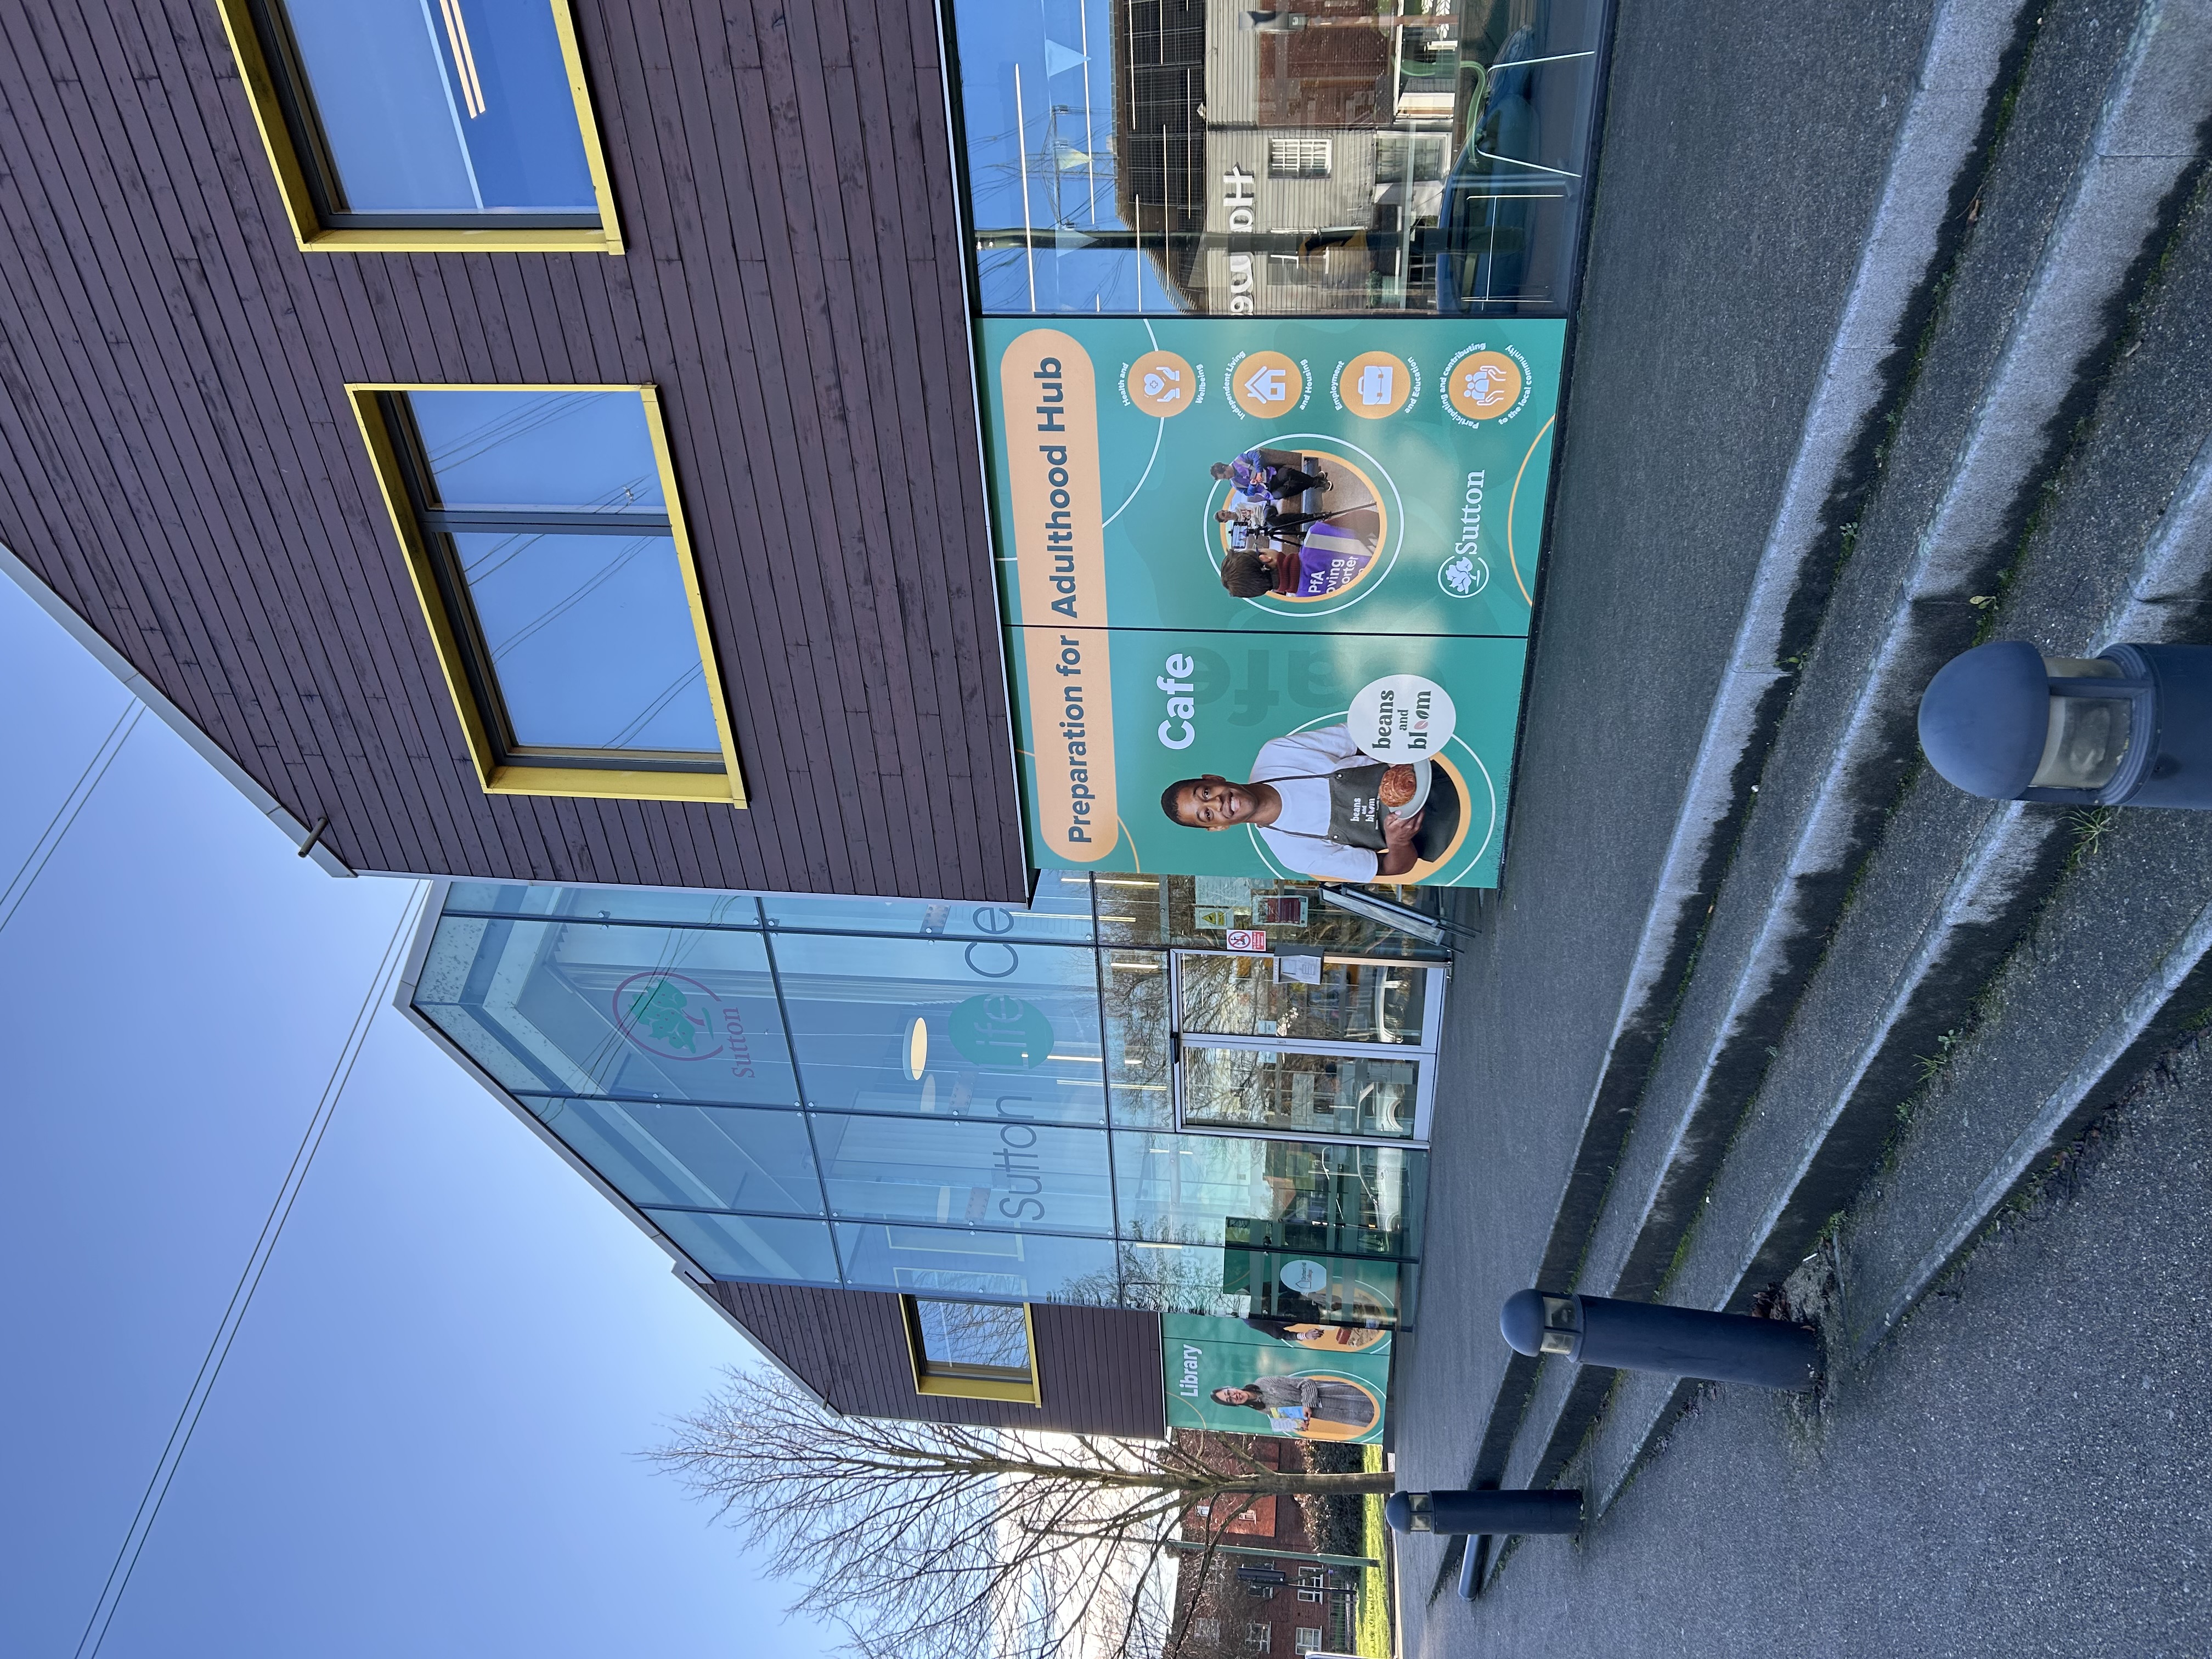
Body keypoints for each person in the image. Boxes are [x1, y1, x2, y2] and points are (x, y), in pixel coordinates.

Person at [1159, 723, 1460, 881]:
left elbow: (1364, 736)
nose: (1219, 805)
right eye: (1207, 815)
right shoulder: (1293, 854)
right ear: (1218, 829)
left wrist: (1400, 761)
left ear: (1213, 779)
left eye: (1206, 794)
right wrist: (1398, 842)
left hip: (1450, 776)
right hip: (1448, 836)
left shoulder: (1278, 754)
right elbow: (1393, 869)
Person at [1210, 1375, 1376, 1431]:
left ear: (1231, 1387)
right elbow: (1294, 1420)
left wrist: (1307, 1403)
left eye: (1229, 1393)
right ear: (1234, 1405)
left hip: (1330, 1394)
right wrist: (1300, 1425)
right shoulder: (1262, 1409)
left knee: (1371, 1400)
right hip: (1327, 1413)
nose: (1234, 1396)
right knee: (1368, 1419)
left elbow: (1305, 1383)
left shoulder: (1264, 1382)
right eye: (1230, 1400)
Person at [1211, 449, 1330, 501]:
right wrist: (1252, 486)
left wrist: (1259, 472)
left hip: (1272, 475)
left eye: (1224, 476)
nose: (1227, 479)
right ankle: (1315, 481)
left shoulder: (1240, 459)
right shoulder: (1234, 484)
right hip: (1268, 491)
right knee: (1283, 493)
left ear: (1225, 468)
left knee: (1287, 473)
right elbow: (1248, 493)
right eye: (1224, 479)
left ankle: (1315, 483)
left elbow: (1256, 455)